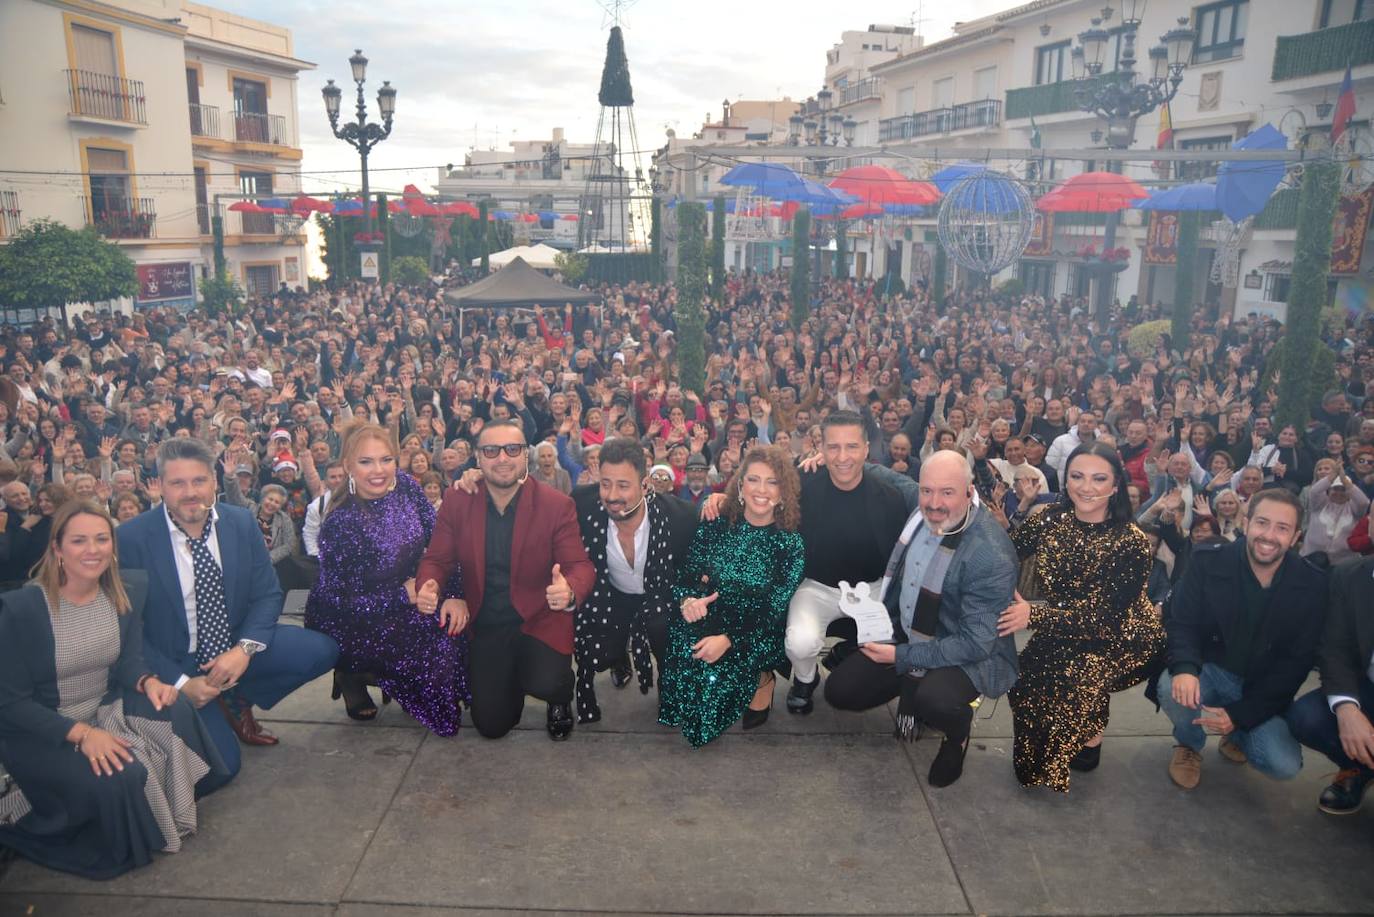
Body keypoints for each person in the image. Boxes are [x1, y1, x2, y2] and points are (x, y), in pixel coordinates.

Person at [0, 501, 226, 877]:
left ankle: (166, 805)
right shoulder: (21, 610)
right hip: (42, 731)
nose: (93, 550)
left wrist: (148, 681)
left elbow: (128, 663)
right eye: (79, 541)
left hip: (104, 707)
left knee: (176, 709)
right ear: (57, 549)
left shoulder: (126, 592)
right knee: (120, 776)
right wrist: (83, 735)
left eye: (102, 539)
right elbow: (10, 704)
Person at [116, 438, 338, 794]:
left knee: (322, 650)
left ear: (215, 482)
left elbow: (267, 594)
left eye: (199, 480)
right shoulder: (131, 537)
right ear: (161, 486)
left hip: (234, 646)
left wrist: (243, 651)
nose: (190, 492)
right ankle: (215, 703)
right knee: (222, 768)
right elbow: (129, 631)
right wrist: (180, 684)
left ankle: (236, 696)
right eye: (178, 483)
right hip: (178, 663)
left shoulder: (240, 523)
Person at [823, 451, 1020, 787]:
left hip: (967, 651)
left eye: (947, 492)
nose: (933, 502)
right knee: (840, 692)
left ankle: (955, 732)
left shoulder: (990, 554)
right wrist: (833, 459)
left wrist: (900, 657)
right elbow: (889, 476)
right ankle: (912, 682)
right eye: (927, 490)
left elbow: (974, 643)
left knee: (935, 701)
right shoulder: (921, 505)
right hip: (909, 629)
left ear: (969, 491)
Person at [1000, 442, 1165, 792]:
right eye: (1077, 476)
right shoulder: (1050, 518)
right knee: (1025, 682)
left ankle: (1090, 735)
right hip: (1062, 623)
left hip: (1121, 635)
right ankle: (1079, 720)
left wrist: (1033, 615)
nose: (1086, 487)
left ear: (1115, 485)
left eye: (1099, 478)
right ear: (1065, 478)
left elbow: (1103, 621)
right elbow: (1006, 551)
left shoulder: (1130, 541)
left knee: (1079, 672)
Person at [415, 420, 594, 740]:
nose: (502, 458)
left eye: (513, 449)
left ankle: (559, 697)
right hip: (487, 624)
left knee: (547, 681)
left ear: (526, 455)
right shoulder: (458, 500)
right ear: (478, 458)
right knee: (492, 725)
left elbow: (579, 565)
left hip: (540, 619)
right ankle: (507, 678)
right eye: (491, 450)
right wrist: (430, 584)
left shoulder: (556, 505)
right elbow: (437, 559)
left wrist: (569, 592)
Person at [1151, 488, 1326, 790]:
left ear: (1296, 536)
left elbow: (1297, 663)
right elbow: (1183, 622)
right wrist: (1185, 668)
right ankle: (1189, 745)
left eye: (1282, 528)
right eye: (1262, 523)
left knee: (1283, 764)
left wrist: (1241, 715)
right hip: (1212, 670)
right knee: (1171, 684)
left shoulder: (1312, 583)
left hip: (1260, 687)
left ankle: (1238, 733)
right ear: (1246, 523)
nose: (1269, 535)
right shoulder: (1207, 561)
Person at [305, 423, 467, 734]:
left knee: (456, 621)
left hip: (409, 595)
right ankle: (352, 672)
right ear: (348, 466)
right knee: (436, 642)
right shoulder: (340, 522)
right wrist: (401, 597)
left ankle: (405, 681)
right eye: (366, 462)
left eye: (386, 459)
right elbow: (337, 603)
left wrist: (454, 593)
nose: (378, 471)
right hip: (355, 620)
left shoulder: (405, 485)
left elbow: (441, 542)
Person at [659, 446, 804, 746]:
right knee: (679, 644)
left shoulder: (790, 544)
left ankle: (763, 677)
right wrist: (688, 602)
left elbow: (773, 610)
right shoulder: (716, 524)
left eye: (772, 482)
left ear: (784, 491)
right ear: (740, 485)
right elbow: (685, 576)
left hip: (756, 631)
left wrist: (728, 640)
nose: (761, 490)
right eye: (753, 480)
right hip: (712, 616)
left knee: (704, 720)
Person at [780, 412, 912, 714]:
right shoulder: (801, 487)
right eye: (834, 447)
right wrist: (722, 500)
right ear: (821, 449)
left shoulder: (890, 498)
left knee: (890, 646)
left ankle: (848, 651)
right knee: (799, 642)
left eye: (851, 447)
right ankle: (805, 679)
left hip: (873, 588)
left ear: (866, 449)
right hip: (817, 587)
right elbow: (759, 491)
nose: (842, 457)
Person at [569, 437, 699, 723]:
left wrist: (723, 499)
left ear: (644, 486)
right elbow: (534, 501)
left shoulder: (681, 517)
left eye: (623, 485)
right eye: (605, 483)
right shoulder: (581, 503)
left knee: (664, 628)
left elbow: (724, 531)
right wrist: (479, 481)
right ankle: (617, 657)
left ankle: (670, 681)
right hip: (609, 598)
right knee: (598, 653)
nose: (612, 495)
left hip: (659, 599)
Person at [1287, 555, 1374, 814]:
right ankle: (1360, 768)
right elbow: (1335, 648)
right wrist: (1347, 708)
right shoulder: (1347, 575)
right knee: (1307, 717)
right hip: (1368, 685)